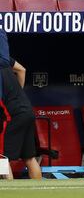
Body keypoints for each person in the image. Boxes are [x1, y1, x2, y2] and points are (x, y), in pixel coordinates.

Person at [0, 30, 42, 180]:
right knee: (29, 158)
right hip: (26, 109)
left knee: (2, 158)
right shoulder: (5, 61)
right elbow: (22, 70)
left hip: (14, 115)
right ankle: (40, 192)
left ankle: (8, 193)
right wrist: (18, 93)